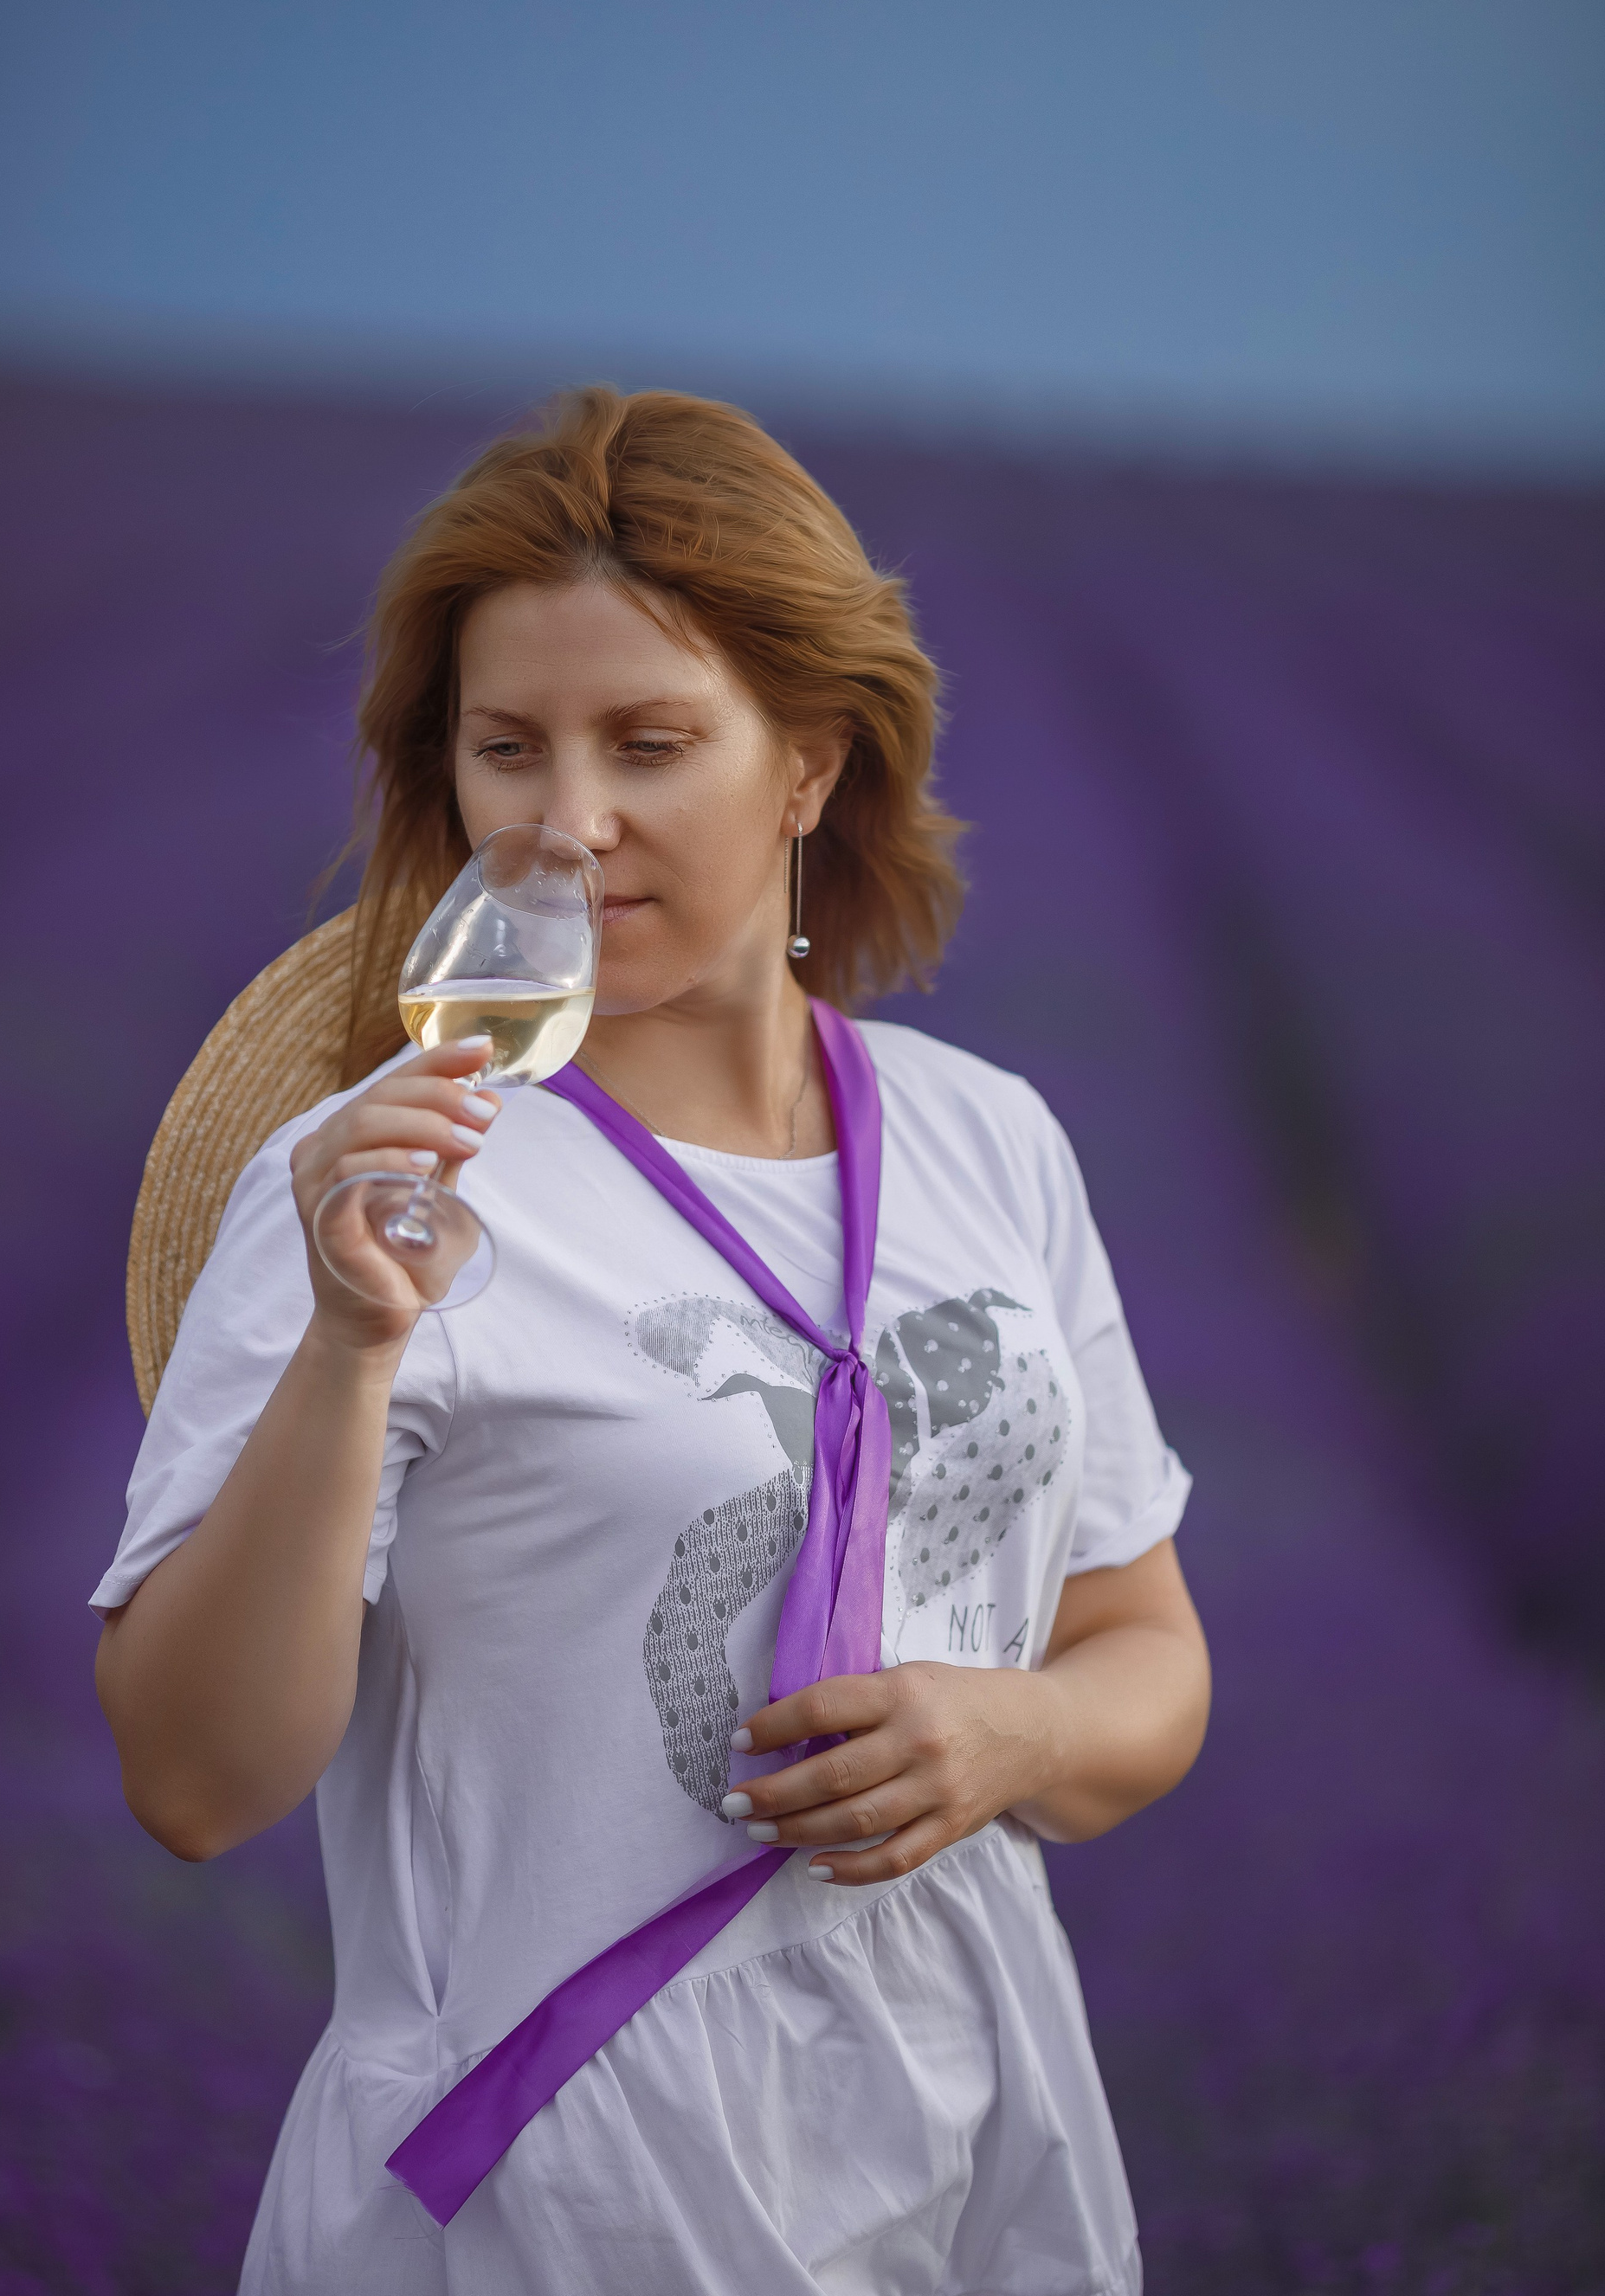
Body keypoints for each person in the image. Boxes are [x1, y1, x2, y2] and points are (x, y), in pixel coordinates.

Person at [93, 387, 1209, 2295]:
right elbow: (195, 1785)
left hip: (972, 2150)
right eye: (506, 747)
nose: (567, 821)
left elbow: (1144, 1660)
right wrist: (351, 1349)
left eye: (651, 743)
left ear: (809, 766)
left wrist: (1010, 1729)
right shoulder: (374, 1189)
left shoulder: (988, 1140)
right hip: (562, 2193)